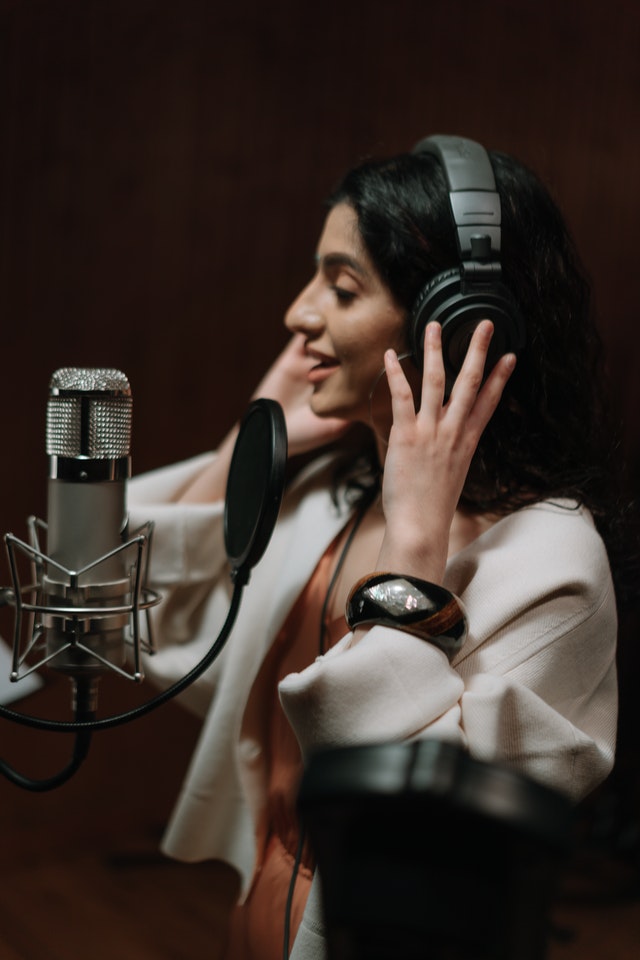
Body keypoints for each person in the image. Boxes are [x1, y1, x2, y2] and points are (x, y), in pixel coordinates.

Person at [127, 135, 620, 960]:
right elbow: (131, 618)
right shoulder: (330, 498)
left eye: (341, 286)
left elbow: (426, 840)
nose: (299, 312)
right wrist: (252, 442)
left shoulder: (554, 567)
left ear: (453, 327)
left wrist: (417, 549)